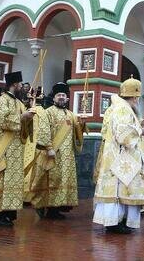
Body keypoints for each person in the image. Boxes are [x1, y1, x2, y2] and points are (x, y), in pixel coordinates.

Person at [93, 78, 144, 234]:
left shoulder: (120, 107)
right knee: (119, 191)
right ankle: (114, 223)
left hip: (121, 157)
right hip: (121, 158)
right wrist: (141, 131)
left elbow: (123, 127)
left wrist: (138, 124)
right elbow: (123, 135)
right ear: (135, 97)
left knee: (123, 190)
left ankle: (118, 221)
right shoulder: (123, 109)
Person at [0, 72, 35, 226]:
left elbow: (25, 124)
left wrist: (30, 112)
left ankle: (7, 213)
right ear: (14, 85)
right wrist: (22, 117)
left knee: (12, 182)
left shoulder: (18, 103)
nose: (22, 87)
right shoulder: (2, 101)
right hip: (4, 149)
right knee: (0, 180)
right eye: (20, 84)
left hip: (16, 150)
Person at [31, 82, 85, 219]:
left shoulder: (71, 115)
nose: (61, 97)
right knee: (52, 180)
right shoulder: (48, 112)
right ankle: (48, 209)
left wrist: (82, 124)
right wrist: (49, 148)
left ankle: (59, 207)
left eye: (63, 95)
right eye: (58, 95)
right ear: (54, 98)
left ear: (67, 99)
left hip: (67, 157)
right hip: (53, 154)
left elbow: (77, 133)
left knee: (63, 181)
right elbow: (43, 131)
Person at [23, 86, 47, 205]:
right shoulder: (45, 112)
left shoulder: (29, 112)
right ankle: (33, 195)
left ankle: (24, 195)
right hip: (39, 145)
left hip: (28, 143)